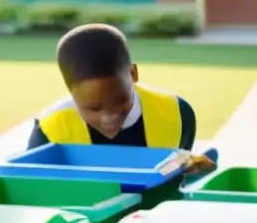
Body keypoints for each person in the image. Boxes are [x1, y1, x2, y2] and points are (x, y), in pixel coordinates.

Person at [27, 23, 198, 151]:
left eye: (121, 100)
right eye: (94, 108)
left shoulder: (177, 113)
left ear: (133, 74)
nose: (109, 117)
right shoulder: (50, 130)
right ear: (70, 92)